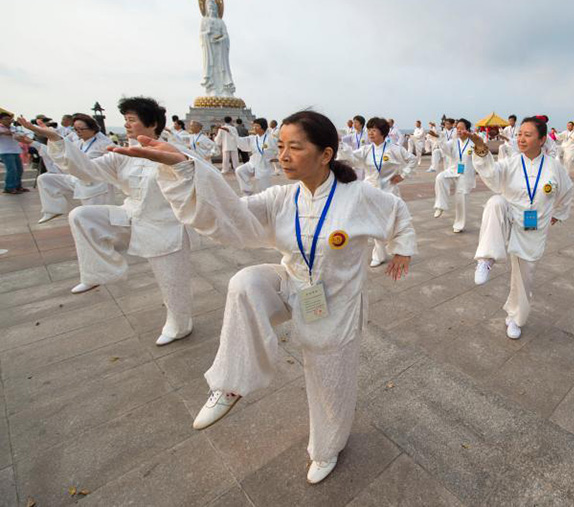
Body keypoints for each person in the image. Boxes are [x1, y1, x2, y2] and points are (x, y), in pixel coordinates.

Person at [117, 110, 415, 484]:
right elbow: (229, 216)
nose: (284, 155)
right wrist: (183, 169)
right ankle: (231, 384)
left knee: (330, 383)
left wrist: (402, 247)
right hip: (292, 284)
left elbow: (397, 210)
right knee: (245, 282)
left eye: (295, 147)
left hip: (336, 303)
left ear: (325, 154)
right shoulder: (280, 196)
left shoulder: (359, 196)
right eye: (280, 146)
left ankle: (326, 449)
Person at [17, 98, 196, 346]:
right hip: (131, 216)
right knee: (81, 215)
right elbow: (85, 169)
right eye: (125, 120)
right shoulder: (122, 156)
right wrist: (57, 139)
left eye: (132, 120)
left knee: (172, 284)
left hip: (166, 227)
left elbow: (201, 180)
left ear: (152, 123)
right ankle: (100, 271)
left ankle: (179, 325)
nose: (127, 125)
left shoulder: (174, 152)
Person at [470, 116, 572, 339]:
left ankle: (515, 318)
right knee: (495, 202)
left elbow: (566, 192)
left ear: (542, 139)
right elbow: (493, 177)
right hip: (510, 215)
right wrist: (481, 152)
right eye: (519, 134)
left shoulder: (554, 167)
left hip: (534, 226)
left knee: (525, 277)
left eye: (528, 135)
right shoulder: (512, 163)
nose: (521, 139)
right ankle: (486, 259)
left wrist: (559, 214)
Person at [347, 117, 417, 266]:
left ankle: (398, 247)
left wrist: (403, 175)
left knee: (392, 223)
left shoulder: (394, 149)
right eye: (369, 130)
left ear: (383, 132)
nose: (370, 133)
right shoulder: (366, 150)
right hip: (371, 192)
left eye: (374, 130)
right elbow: (351, 158)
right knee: (374, 222)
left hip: (389, 192)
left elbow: (413, 159)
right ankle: (378, 255)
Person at [32, 113, 115, 223]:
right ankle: (53, 209)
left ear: (92, 129)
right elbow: (61, 144)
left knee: (96, 216)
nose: (77, 132)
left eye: (81, 129)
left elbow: (116, 158)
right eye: (75, 129)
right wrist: (50, 135)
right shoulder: (77, 140)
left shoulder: (104, 143)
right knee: (45, 179)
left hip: (95, 183)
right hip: (77, 178)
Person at [432, 119, 479, 233]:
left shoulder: (473, 144)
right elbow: (445, 150)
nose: (458, 130)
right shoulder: (453, 142)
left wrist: (476, 171)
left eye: (461, 128)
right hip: (453, 170)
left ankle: (459, 224)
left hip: (466, 175)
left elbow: (479, 160)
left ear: (467, 130)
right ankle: (440, 205)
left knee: (461, 200)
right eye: (457, 128)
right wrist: (439, 138)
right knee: (440, 178)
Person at [235, 118, 279, 196]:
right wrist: (232, 134)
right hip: (253, 163)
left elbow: (279, 148)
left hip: (264, 165)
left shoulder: (271, 138)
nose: (254, 128)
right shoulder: (253, 138)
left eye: (257, 126)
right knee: (240, 171)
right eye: (254, 126)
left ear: (263, 127)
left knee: (264, 189)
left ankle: (267, 200)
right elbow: (240, 141)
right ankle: (247, 193)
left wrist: (277, 158)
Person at [1, 110, 28, 194]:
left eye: (9, 119)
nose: (8, 121)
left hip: (16, 151)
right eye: (6, 119)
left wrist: (14, 131)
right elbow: (5, 133)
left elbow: (22, 134)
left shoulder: (13, 127)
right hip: (5, 152)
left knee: (19, 170)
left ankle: (17, 186)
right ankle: (9, 187)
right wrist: (12, 133)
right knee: (12, 170)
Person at [338, 115, 368, 180]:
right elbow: (341, 139)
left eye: (356, 122)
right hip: (355, 159)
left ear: (361, 124)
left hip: (364, 160)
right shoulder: (352, 136)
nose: (354, 124)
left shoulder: (367, 135)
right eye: (353, 122)